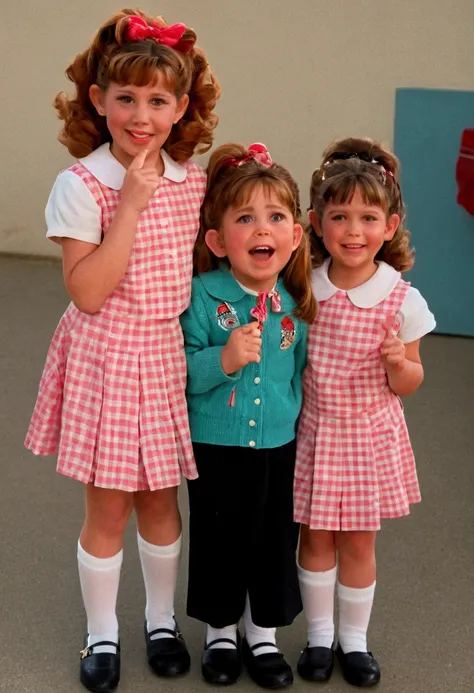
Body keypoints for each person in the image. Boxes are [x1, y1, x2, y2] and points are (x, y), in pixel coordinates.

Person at [24, 8, 219, 692]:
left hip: (163, 353)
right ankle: (101, 630)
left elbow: (197, 275)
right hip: (108, 350)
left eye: (158, 100)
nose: (142, 115)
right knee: (109, 504)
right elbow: (89, 292)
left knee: (161, 500)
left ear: (181, 106)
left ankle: (159, 621)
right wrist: (130, 205)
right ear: (98, 100)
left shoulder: (190, 178)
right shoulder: (82, 185)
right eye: (126, 98)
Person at [294, 138, 436, 687]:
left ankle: (354, 641)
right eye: (340, 217)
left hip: (368, 436)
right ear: (316, 221)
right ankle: (318, 637)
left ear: (391, 224)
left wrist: (399, 363)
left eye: (368, 217)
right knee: (315, 539)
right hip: (314, 432)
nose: (353, 231)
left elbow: (412, 381)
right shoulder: (306, 285)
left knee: (357, 540)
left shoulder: (401, 298)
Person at [180, 142, 318, 688]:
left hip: (278, 445)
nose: (263, 229)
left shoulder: (296, 304)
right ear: (217, 241)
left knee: (273, 538)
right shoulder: (202, 296)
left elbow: (300, 373)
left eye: (276, 217)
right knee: (220, 537)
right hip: (215, 445)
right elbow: (183, 372)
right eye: (245, 218)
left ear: (295, 236)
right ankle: (219, 631)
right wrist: (225, 359)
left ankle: (263, 633)